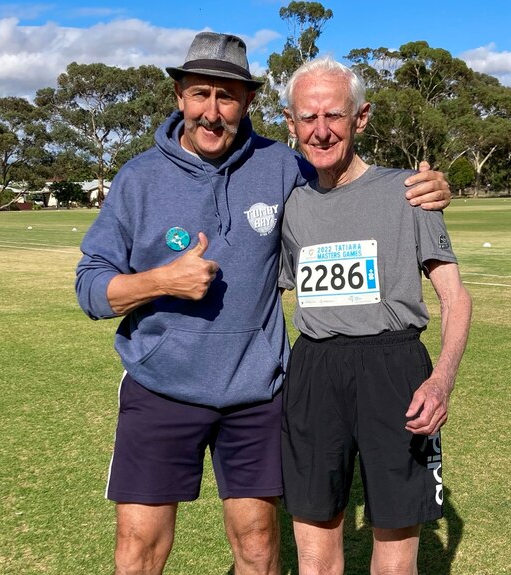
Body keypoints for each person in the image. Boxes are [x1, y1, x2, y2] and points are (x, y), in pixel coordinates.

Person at [75, 32, 451, 575]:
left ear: (247, 102)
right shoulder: (138, 179)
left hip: (254, 395)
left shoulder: (281, 165)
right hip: (160, 388)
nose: (211, 111)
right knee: (139, 547)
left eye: (226, 96)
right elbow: (90, 287)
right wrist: (161, 281)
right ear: (179, 96)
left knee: (257, 544)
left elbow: (347, 177)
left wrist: (428, 189)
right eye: (200, 94)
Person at [278, 57, 472, 575]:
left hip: (394, 367)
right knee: (315, 551)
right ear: (290, 123)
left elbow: (455, 297)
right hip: (315, 371)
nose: (321, 131)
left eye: (334, 116)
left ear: (361, 118)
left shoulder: (409, 191)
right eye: (307, 118)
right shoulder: (288, 203)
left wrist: (441, 382)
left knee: (395, 552)